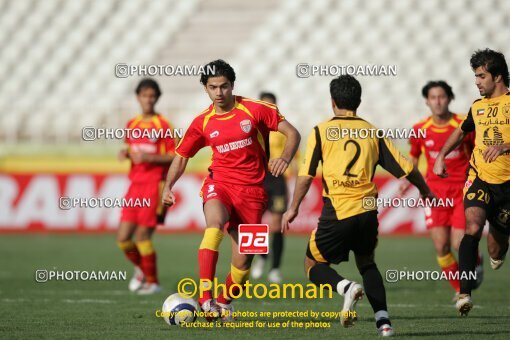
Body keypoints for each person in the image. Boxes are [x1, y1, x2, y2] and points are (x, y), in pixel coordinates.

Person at [282, 75, 435, 336]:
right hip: (367, 211)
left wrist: (293, 207)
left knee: (312, 265)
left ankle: (345, 288)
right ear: (359, 101)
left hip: (338, 211)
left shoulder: (321, 131)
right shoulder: (373, 132)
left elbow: (306, 176)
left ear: (332, 102)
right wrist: (426, 191)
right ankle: (384, 323)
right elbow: (408, 168)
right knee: (367, 263)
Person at [162, 59, 300, 321]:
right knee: (213, 227)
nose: (219, 92)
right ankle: (205, 298)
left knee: (243, 265)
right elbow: (181, 156)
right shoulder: (202, 122)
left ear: (232, 85)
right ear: (205, 89)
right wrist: (168, 186)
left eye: (224, 86)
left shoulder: (256, 109)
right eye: (213, 87)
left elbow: (293, 133)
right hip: (220, 184)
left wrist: (285, 157)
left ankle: (223, 302)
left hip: (254, 193)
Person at [434, 48, 510, 316]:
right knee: (473, 227)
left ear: (497, 76)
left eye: (481, 76)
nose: (476, 82)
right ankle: (464, 292)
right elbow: (461, 130)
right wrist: (442, 154)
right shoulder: (477, 107)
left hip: (508, 186)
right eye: (475, 76)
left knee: (496, 247)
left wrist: (505, 146)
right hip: (479, 177)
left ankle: (500, 246)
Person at [400, 81, 482, 300]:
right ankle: (461, 291)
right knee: (441, 246)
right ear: (427, 101)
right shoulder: (420, 129)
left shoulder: (462, 124)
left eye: (442, 96)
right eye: (433, 97)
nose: (438, 101)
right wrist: (406, 181)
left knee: (458, 243)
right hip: (433, 194)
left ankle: (477, 261)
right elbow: (414, 158)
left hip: (462, 191)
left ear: (449, 98)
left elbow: (477, 152)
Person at [117, 78, 177, 295]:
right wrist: (125, 154)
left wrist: (149, 157)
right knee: (123, 239)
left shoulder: (163, 125)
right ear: (138, 98)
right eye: (144, 95)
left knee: (142, 236)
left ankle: (153, 282)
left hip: (155, 186)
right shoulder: (132, 124)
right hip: (135, 186)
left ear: (157, 98)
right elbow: (132, 150)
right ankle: (141, 270)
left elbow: (174, 156)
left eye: (152, 96)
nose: (148, 100)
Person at [251, 92, 297, 284]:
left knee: (277, 224)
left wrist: (294, 174)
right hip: (258, 177)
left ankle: (275, 268)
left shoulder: (282, 127)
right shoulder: (251, 126)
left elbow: (294, 154)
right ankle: (260, 259)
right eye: (265, 105)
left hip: (277, 178)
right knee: (255, 223)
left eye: (271, 106)